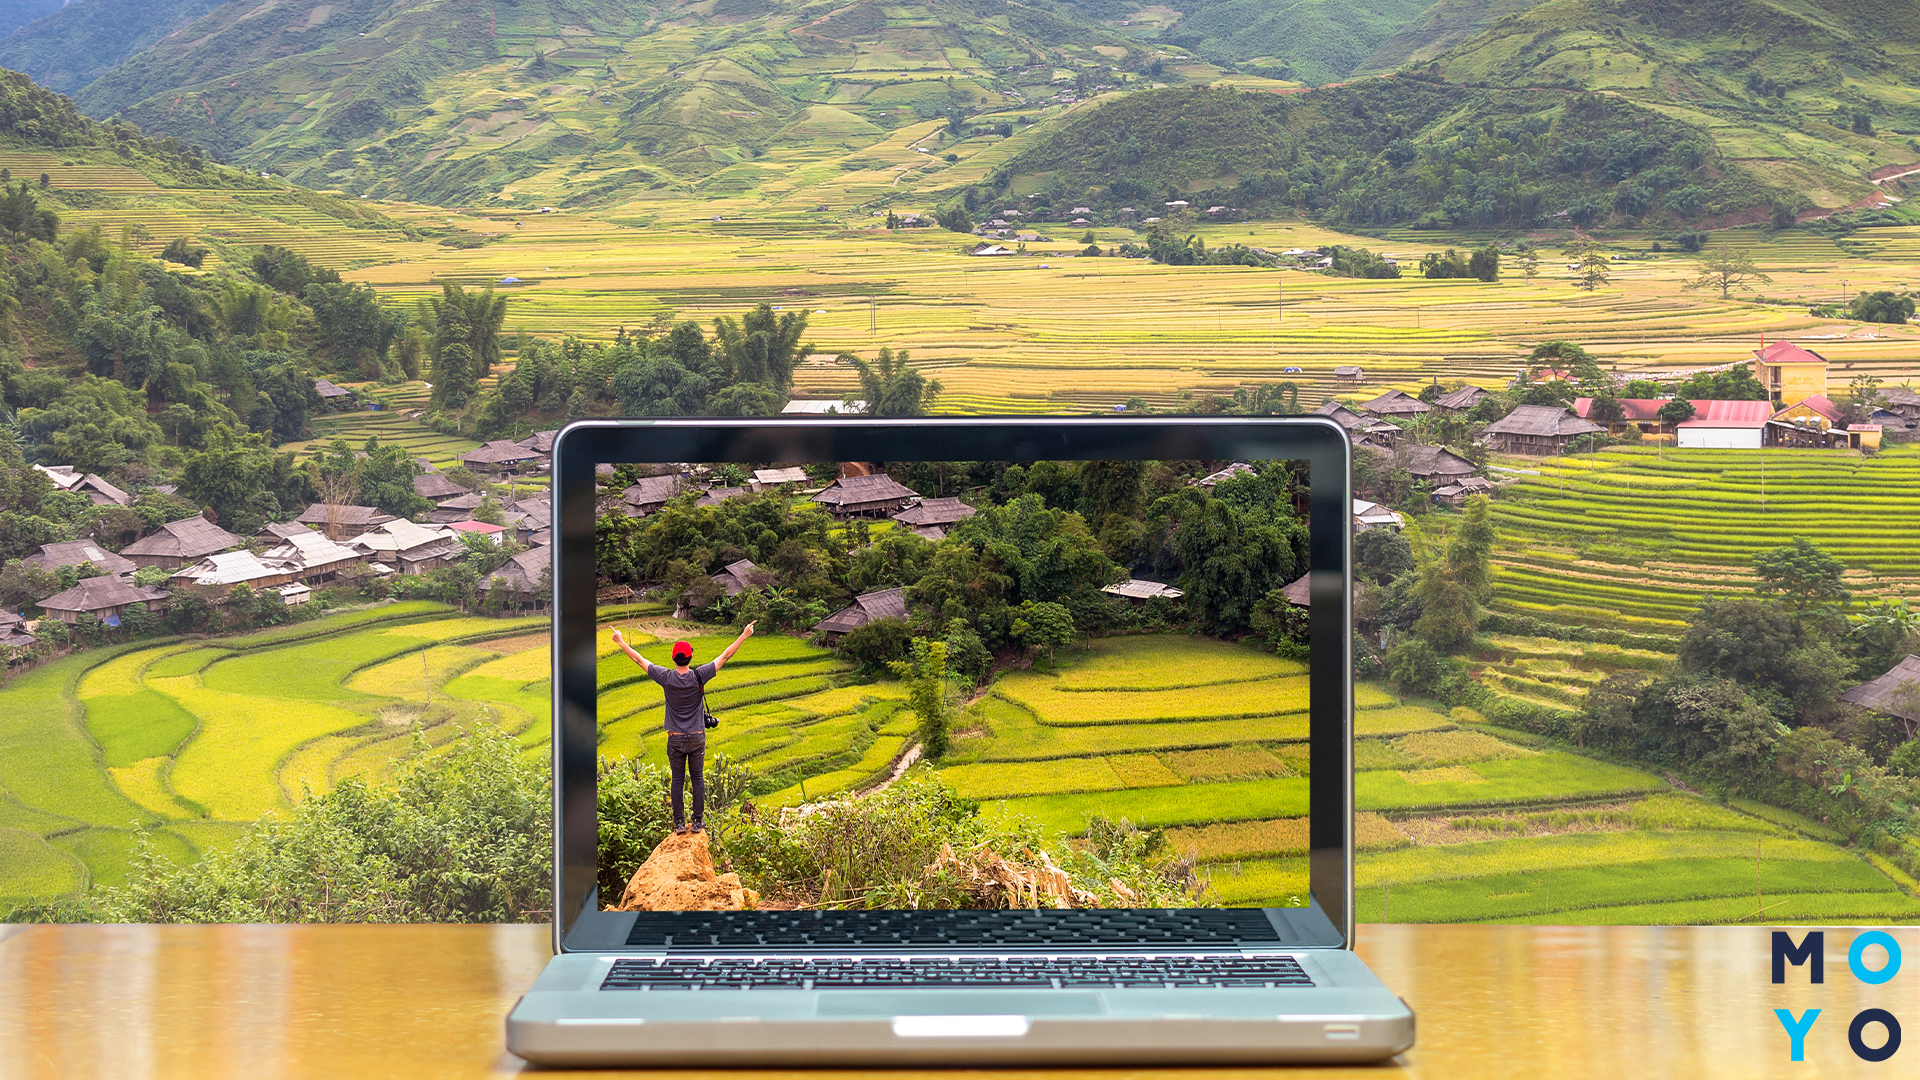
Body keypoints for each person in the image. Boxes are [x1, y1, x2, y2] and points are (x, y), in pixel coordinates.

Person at [610, 621, 755, 834]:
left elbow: (639, 660)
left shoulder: (666, 677)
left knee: (677, 780)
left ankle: (679, 824)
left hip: (675, 738)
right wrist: (743, 635)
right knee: (697, 778)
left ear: (673, 658)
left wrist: (621, 642)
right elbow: (725, 656)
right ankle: (697, 822)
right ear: (690, 657)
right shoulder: (699, 675)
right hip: (696, 736)